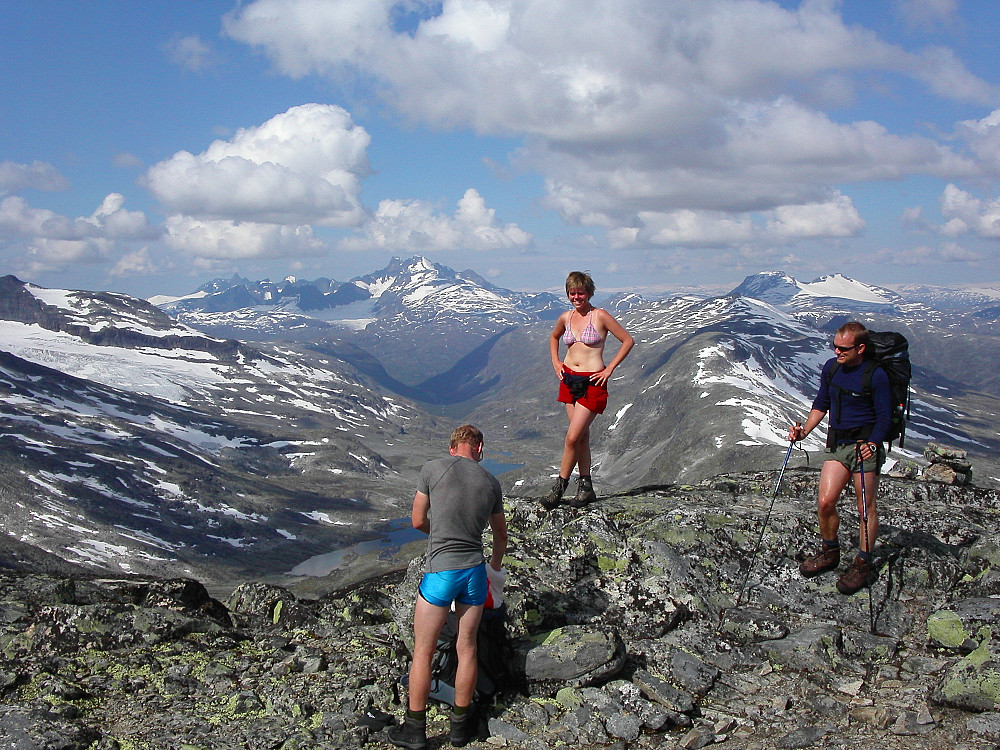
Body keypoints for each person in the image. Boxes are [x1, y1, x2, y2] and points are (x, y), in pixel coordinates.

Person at [389, 425, 507, 750]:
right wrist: (493, 568)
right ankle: (460, 729)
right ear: (479, 447)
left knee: (423, 652)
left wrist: (439, 533)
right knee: (467, 648)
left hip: (441, 571)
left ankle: (414, 731)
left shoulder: (432, 468)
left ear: (452, 447)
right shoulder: (492, 483)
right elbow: (500, 537)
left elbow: (416, 520)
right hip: (473, 572)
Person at [788, 321, 891, 595]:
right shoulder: (832, 369)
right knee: (825, 502)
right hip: (838, 443)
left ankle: (863, 564)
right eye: (834, 345)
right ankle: (830, 552)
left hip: (863, 447)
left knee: (864, 508)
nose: (836, 351)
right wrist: (804, 431)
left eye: (843, 348)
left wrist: (873, 443)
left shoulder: (875, 375)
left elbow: (884, 417)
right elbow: (822, 402)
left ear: (860, 348)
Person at [542, 271, 634, 509]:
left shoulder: (600, 316)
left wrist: (609, 369)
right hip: (569, 379)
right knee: (581, 437)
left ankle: (560, 486)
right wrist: (556, 362)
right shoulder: (566, 318)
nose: (576, 297)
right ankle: (586, 488)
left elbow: (627, 340)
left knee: (572, 437)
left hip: (593, 382)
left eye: (580, 292)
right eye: (572, 293)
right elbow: (553, 338)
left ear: (590, 292)